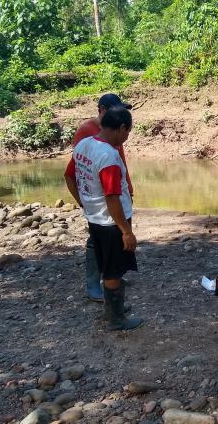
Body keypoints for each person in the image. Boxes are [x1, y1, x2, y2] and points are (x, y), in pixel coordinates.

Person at [64, 106, 143, 331]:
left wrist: (83, 202)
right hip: (111, 223)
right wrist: (126, 231)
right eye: (127, 132)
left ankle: (113, 308)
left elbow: (69, 176)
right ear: (120, 128)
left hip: (94, 218)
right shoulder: (108, 156)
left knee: (107, 265)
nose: (127, 138)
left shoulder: (83, 145)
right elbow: (112, 198)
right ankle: (116, 320)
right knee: (113, 270)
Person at [72, 93, 134, 302]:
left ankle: (111, 295)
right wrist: (126, 230)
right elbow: (111, 197)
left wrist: (128, 189)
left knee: (112, 263)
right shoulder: (92, 139)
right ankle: (108, 305)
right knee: (109, 263)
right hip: (108, 217)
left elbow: (118, 167)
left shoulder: (100, 140)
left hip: (101, 212)